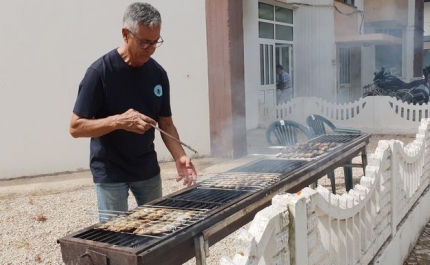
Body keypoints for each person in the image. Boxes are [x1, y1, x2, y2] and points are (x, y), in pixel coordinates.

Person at [69, 2, 197, 221]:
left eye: (155, 42)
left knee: (155, 232)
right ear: (125, 34)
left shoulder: (158, 74)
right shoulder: (99, 73)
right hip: (110, 171)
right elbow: (75, 127)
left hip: (146, 169)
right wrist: (119, 121)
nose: (150, 48)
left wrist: (180, 156)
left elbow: (165, 124)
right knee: (116, 237)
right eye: (143, 42)